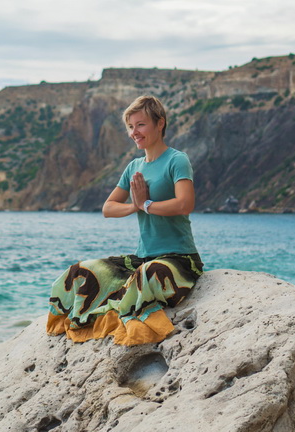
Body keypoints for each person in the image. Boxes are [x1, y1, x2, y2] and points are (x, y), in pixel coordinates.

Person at [46, 95, 203, 345]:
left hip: (178, 259)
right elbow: (108, 208)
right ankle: (80, 322)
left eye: (140, 125)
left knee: (148, 274)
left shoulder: (177, 159)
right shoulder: (134, 166)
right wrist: (135, 206)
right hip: (142, 256)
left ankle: (129, 319)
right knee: (80, 271)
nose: (134, 132)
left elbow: (185, 204)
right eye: (130, 126)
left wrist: (147, 205)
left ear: (159, 123)